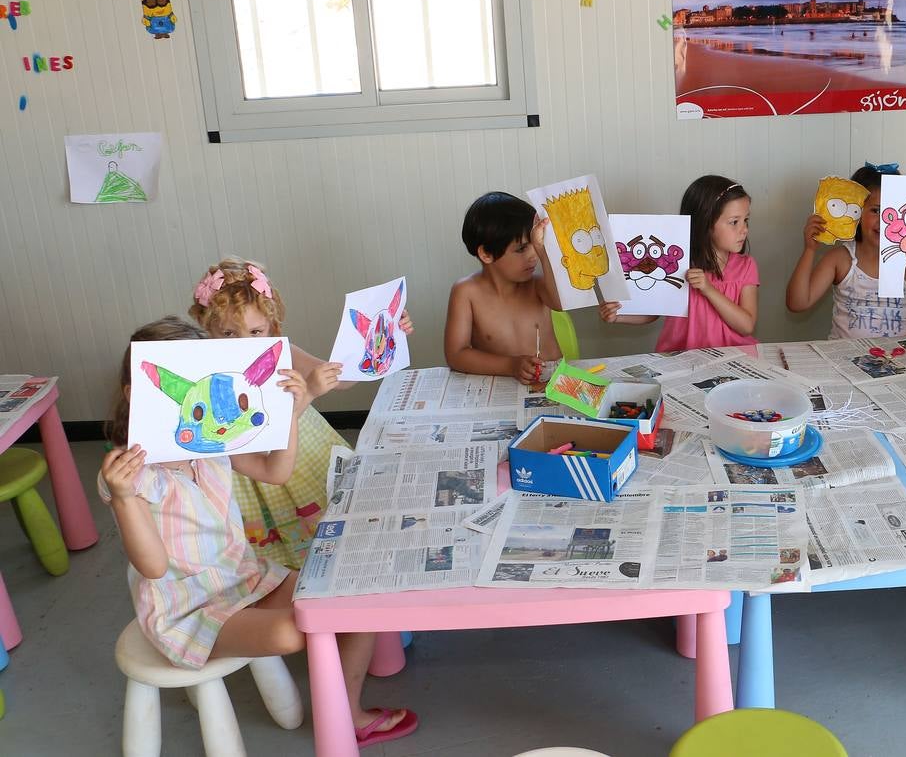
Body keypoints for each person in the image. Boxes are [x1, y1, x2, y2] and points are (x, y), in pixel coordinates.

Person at [102, 317, 416, 745]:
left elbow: (275, 470)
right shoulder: (129, 475)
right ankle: (337, 708)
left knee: (354, 600)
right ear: (134, 396)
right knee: (293, 631)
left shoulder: (213, 445)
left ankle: (346, 712)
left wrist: (288, 412)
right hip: (187, 608)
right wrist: (123, 498)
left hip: (245, 577)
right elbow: (154, 566)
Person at [189, 257, 414, 568]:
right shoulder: (206, 376)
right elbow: (259, 433)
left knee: (339, 531)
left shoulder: (283, 351)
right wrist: (309, 391)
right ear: (208, 331)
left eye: (255, 331)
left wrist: (390, 333)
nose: (244, 343)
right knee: (277, 558)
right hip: (254, 468)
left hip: (305, 454)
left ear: (272, 328)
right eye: (228, 334)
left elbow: (343, 379)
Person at [601, 175, 759, 349]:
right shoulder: (677, 265)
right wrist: (619, 315)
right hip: (682, 358)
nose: (744, 229)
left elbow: (746, 326)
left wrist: (708, 289)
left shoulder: (746, 266)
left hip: (733, 358)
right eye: (734, 222)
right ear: (705, 223)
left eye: (746, 220)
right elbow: (653, 313)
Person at [785, 162, 906, 338]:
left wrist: (895, 355)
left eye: (892, 212)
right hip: (844, 361)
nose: (884, 221)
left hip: (897, 359)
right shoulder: (841, 259)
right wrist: (809, 250)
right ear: (856, 212)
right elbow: (797, 303)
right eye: (875, 210)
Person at [445, 192, 564, 384]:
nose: (533, 256)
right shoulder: (466, 293)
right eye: (521, 249)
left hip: (552, 383)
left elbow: (561, 303)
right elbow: (456, 355)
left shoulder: (537, 285)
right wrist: (510, 365)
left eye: (535, 245)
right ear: (486, 254)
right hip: (503, 387)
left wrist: (544, 252)